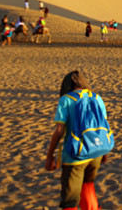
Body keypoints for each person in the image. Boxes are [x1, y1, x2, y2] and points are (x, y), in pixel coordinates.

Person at [45, 71, 111, 210]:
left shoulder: (66, 100)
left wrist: (50, 155)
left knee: (70, 198)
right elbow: (102, 126)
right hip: (96, 151)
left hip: (75, 154)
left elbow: (59, 131)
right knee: (88, 185)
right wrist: (104, 151)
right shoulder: (97, 97)